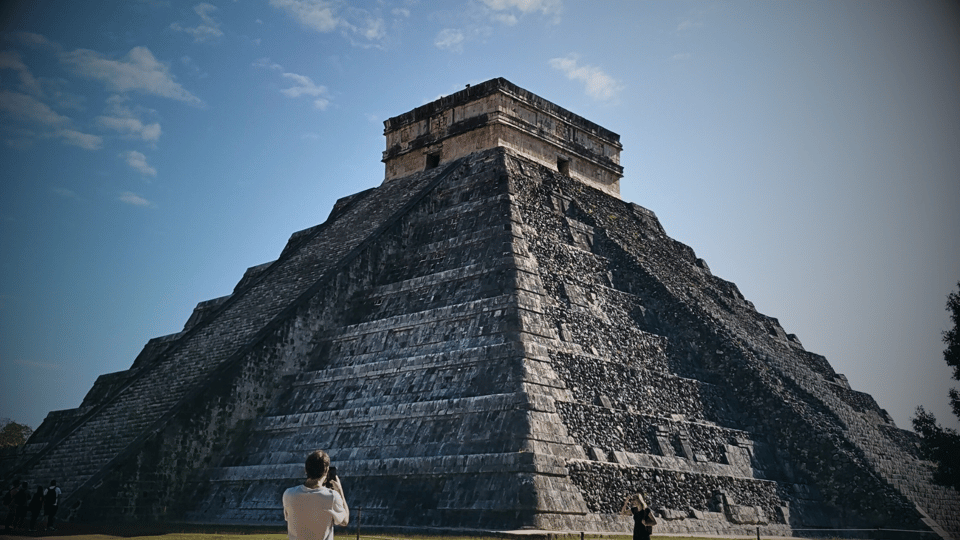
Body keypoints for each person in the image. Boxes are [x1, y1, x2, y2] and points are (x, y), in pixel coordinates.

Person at [282, 450, 349, 540]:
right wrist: (340, 492)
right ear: (326, 471)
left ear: (306, 470)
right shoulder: (332, 496)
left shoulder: (289, 494)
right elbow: (344, 521)